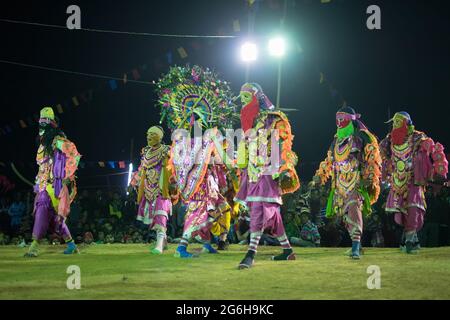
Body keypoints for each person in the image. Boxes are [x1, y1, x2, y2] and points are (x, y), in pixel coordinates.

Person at [154, 65, 237, 258]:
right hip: (197, 185)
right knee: (196, 214)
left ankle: (207, 243)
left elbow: (217, 158)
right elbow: (184, 162)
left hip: (209, 183)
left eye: (200, 119)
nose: (197, 122)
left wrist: (227, 163)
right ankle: (181, 248)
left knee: (219, 208)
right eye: (195, 119)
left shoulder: (205, 138)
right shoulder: (189, 140)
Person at [235, 83, 301, 269]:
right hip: (253, 174)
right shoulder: (251, 124)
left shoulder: (275, 119)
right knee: (273, 217)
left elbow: (284, 144)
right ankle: (288, 251)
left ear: (257, 97)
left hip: (269, 174)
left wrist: (285, 167)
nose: (243, 101)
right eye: (241, 98)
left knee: (258, 209)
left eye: (246, 97)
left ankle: (250, 255)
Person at [313, 107, 382, 259]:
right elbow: (329, 160)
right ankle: (357, 244)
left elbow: (372, 157)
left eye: (342, 119)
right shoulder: (336, 141)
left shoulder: (363, 137)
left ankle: (356, 247)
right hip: (339, 186)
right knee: (345, 217)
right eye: (337, 119)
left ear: (350, 119)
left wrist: (370, 177)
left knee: (353, 209)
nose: (339, 122)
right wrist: (320, 175)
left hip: (356, 182)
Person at [380, 112, 448, 253]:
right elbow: (380, 152)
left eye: (398, 122)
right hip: (397, 181)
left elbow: (433, 149)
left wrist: (439, 168)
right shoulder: (390, 139)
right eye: (394, 123)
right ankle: (412, 239)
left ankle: (410, 240)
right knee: (400, 214)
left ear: (406, 123)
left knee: (413, 209)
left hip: (413, 180)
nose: (394, 125)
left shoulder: (417, 137)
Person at [25, 107, 81, 257]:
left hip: (57, 185)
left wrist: (67, 177)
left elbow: (74, 156)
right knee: (46, 211)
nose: (41, 129)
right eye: (40, 125)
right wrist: (37, 183)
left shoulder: (58, 141)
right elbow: (42, 167)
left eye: (44, 125)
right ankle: (68, 245)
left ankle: (35, 246)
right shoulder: (42, 146)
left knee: (56, 217)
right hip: (44, 186)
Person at [130, 126, 173, 254]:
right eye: (148, 134)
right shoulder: (146, 152)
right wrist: (135, 181)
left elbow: (172, 168)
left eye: (152, 134)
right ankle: (163, 242)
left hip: (161, 188)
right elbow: (141, 170)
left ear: (159, 137)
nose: (149, 137)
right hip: (148, 188)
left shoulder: (166, 150)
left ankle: (159, 245)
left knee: (160, 215)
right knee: (153, 217)